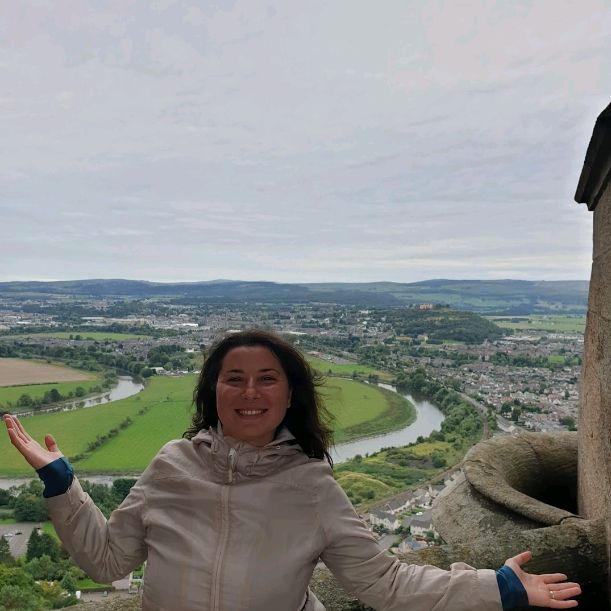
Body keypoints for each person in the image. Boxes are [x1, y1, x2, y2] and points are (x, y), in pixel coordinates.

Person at [3, 329, 581, 611]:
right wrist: (62, 482)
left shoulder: (310, 484)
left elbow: (385, 582)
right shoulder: (170, 466)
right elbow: (107, 560)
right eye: (234, 377)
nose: (249, 391)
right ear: (213, 393)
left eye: (267, 378)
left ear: (288, 397)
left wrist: (497, 587)